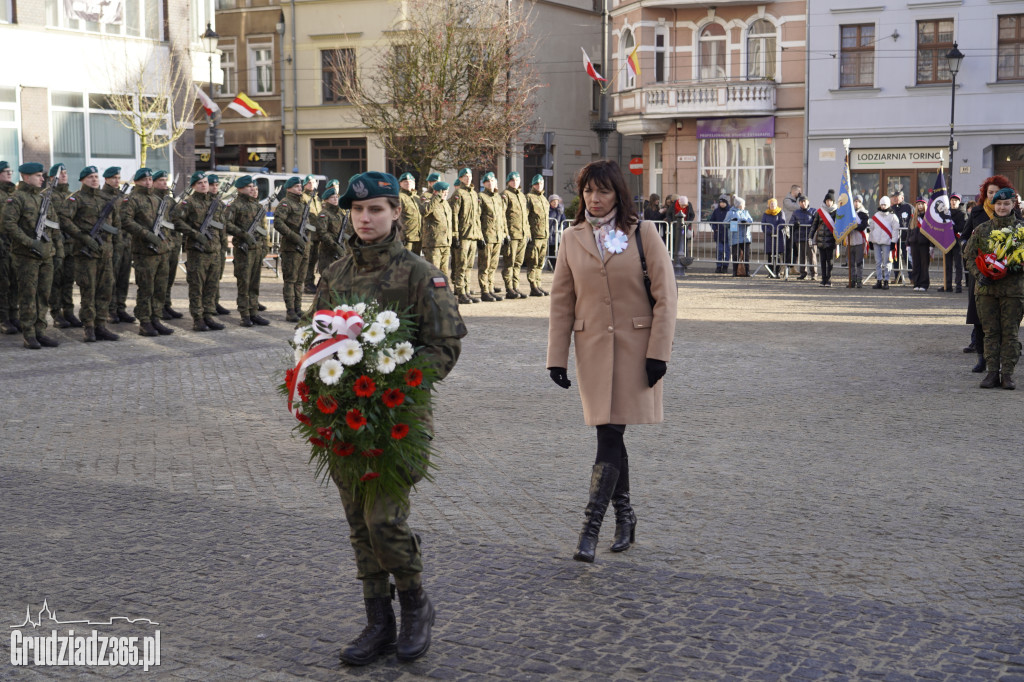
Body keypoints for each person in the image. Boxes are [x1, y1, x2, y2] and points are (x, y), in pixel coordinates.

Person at [312, 171, 467, 666]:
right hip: (343, 419)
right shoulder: (334, 275)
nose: (365, 218)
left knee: (384, 521)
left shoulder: (421, 274)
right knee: (359, 524)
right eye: (357, 211)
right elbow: (313, 341)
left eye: (376, 209)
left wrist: (399, 384)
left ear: (397, 212)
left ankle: (416, 604)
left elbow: (445, 346)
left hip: (396, 423)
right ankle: (378, 620)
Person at [546, 159, 678, 563]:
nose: (594, 198)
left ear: (617, 193)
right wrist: (557, 358)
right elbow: (561, 302)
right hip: (592, 353)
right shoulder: (571, 238)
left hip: (636, 353)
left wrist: (658, 353)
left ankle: (590, 529)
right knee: (610, 434)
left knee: (609, 435)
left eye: (602, 191)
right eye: (587, 191)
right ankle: (626, 516)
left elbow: (666, 298)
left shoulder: (644, 233)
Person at [964, 187, 1023, 390]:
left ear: (1013, 205)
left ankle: (1007, 374)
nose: (1002, 207)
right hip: (986, 291)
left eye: (1006, 204)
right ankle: (991, 373)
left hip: (1013, 291)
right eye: (998, 204)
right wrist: (980, 274)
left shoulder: (1021, 230)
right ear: (993, 205)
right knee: (990, 333)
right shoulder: (982, 229)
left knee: (1010, 334)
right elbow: (969, 256)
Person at [1, 162, 61, 349]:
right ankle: (29, 334)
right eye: (38, 176)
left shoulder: (45, 198)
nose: (42, 179)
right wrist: (30, 242)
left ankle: (40, 331)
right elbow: (8, 225)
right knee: (28, 296)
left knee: (43, 295)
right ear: (26, 177)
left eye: (42, 176)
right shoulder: (16, 198)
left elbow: (54, 225)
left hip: (46, 255)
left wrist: (55, 249)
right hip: (26, 256)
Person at [61, 166, 120, 342]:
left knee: (106, 290)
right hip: (85, 254)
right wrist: (83, 237)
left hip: (105, 253)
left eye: (96, 176)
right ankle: (89, 327)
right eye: (90, 177)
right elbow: (64, 219)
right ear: (82, 180)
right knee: (89, 291)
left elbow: (116, 225)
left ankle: (101, 325)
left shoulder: (106, 199)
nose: (94, 180)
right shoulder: (75, 199)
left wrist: (113, 245)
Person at [120, 167, 174, 336]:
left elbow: (165, 223)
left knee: (160, 288)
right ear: (137, 181)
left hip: (161, 250)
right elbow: (125, 221)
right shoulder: (132, 200)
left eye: (150, 179)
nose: (148, 182)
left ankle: (156, 318)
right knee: (146, 288)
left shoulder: (157, 199)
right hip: (144, 251)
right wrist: (147, 235)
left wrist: (167, 241)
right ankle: (145, 322)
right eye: (144, 180)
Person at [170, 171, 225, 332]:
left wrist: (221, 244)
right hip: (197, 251)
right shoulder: (188, 203)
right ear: (194, 186)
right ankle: (198, 318)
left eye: (206, 182)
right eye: (200, 183)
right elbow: (176, 220)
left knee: (211, 285)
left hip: (214, 250)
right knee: (197, 286)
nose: (204, 185)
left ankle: (208, 315)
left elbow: (221, 224)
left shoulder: (215, 203)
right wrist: (194, 234)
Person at [224, 175, 271, 327]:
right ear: (240, 189)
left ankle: (254, 312)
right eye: (249, 186)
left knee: (255, 283)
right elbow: (227, 224)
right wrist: (243, 234)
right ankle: (245, 314)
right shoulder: (235, 205)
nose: (253, 189)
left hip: (257, 249)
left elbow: (263, 229)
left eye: (253, 186)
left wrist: (265, 246)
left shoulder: (257, 206)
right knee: (244, 283)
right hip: (243, 250)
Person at [272, 176, 314, 322]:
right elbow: (278, 223)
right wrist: (294, 236)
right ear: (288, 188)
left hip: (304, 246)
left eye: (300, 186)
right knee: (290, 280)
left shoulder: (302, 204)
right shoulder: (285, 203)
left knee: (300, 280)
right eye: (296, 186)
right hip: (291, 248)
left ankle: (298, 308)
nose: (300, 188)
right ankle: (290, 310)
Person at [46, 164, 78, 329]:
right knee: (55, 281)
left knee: (68, 280)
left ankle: (69, 311)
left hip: (71, 244)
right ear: (52, 178)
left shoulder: (71, 195)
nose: (64, 175)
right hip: (56, 244)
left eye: (66, 173)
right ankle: (56, 313)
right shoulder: (47, 195)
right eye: (61, 173)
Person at [101, 167, 135, 325]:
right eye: (113, 178)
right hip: (112, 243)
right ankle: (111, 310)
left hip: (125, 243)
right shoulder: (102, 196)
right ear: (106, 179)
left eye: (118, 177)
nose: (116, 180)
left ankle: (121, 308)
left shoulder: (123, 197)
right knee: (111, 279)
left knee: (123, 277)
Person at [448, 168, 482, 304]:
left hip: (473, 235)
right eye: (465, 177)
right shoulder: (458, 193)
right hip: (463, 235)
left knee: (469, 265)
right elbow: (454, 215)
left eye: (469, 176)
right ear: (460, 179)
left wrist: (480, 236)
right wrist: (455, 235)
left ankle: (467, 291)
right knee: (461, 265)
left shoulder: (474, 194)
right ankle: (460, 291)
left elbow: (477, 216)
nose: (468, 179)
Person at [155, 170, 185, 321]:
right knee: (161, 279)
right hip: (160, 244)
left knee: (170, 277)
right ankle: (158, 308)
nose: (164, 183)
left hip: (172, 243)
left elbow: (176, 220)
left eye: (165, 180)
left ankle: (166, 305)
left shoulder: (169, 200)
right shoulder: (153, 199)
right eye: (160, 180)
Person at [477, 172, 506, 302]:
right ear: (484, 184)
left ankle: (490, 288)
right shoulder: (481, 197)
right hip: (487, 236)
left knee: (493, 266)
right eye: (487, 181)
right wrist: (479, 236)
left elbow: (502, 217)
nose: (490, 183)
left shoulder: (498, 198)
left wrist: (505, 233)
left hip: (497, 236)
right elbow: (476, 218)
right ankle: (484, 291)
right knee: (485, 265)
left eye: (492, 181)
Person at [207, 175, 232, 316]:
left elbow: (223, 223)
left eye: (216, 185)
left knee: (217, 276)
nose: (215, 187)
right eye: (212, 185)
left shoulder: (220, 203)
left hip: (219, 244)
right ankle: (209, 304)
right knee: (210, 277)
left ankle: (215, 302)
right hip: (209, 244)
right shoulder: (206, 202)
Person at [501, 171, 529, 298]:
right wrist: (505, 233)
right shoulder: (505, 195)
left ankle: (515, 287)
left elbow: (526, 216)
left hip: (522, 234)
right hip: (512, 234)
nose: (515, 182)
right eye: (512, 180)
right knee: (510, 262)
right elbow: (502, 215)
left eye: (517, 180)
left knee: (518, 263)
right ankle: (509, 288)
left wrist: (527, 232)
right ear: (508, 182)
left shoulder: (522, 196)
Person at [421, 181, 452, 278]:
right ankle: (431, 293)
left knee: (443, 274)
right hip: (433, 244)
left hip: (445, 243)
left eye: (447, 191)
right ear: (436, 192)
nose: (446, 193)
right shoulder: (429, 201)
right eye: (443, 192)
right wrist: (437, 197)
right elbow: (424, 211)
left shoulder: (445, 204)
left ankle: (442, 292)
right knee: (433, 274)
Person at [525, 174, 550, 296]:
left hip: (544, 236)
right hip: (535, 236)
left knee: (540, 262)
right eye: (536, 183)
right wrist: (528, 233)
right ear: (533, 185)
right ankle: (533, 285)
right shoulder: (529, 198)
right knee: (533, 262)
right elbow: (525, 217)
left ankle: (538, 284)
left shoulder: (545, 200)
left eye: (541, 183)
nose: (539, 185)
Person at [868, 196, 899, 290]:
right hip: (876, 242)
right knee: (878, 262)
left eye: (884, 204)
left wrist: (894, 242)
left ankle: (886, 280)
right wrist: (870, 240)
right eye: (881, 204)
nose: (883, 206)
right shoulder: (876, 216)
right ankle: (879, 280)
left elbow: (895, 230)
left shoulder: (893, 216)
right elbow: (871, 229)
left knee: (887, 262)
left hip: (887, 242)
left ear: (888, 205)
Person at [811, 189, 838, 287]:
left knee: (829, 261)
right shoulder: (820, 212)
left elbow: (839, 226)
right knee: (822, 260)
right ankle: (823, 279)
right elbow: (814, 225)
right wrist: (810, 237)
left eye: (830, 201)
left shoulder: (836, 212)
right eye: (827, 201)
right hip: (821, 240)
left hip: (831, 240)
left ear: (833, 201)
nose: (828, 202)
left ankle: (829, 278)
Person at [301, 175, 322, 295]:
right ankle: (308, 284)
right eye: (308, 182)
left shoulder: (317, 199)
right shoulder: (303, 197)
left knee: (314, 260)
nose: (311, 184)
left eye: (313, 182)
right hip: (308, 235)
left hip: (317, 235)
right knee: (308, 261)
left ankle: (311, 283)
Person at [789, 194, 815, 280]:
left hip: (810, 238)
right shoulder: (796, 212)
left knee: (812, 256)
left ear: (808, 202)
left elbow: (817, 223)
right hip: (799, 237)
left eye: (804, 201)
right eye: (801, 202)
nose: (803, 203)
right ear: (799, 203)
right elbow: (790, 223)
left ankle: (814, 274)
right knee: (802, 256)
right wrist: (795, 225)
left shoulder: (813, 211)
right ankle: (803, 273)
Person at [944, 193, 966, 293]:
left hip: (957, 242)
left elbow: (962, 227)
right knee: (947, 264)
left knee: (958, 265)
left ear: (959, 201)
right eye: (952, 200)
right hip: (947, 241)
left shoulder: (962, 214)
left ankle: (958, 285)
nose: (953, 202)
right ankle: (947, 285)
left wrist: (951, 227)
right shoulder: (946, 213)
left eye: (956, 200)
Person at [908, 196, 931, 292]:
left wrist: (931, 246)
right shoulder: (913, 217)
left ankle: (924, 284)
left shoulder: (928, 218)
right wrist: (907, 244)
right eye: (918, 204)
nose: (920, 206)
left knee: (924, 265)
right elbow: (909, 231)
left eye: (922, 204)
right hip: (914, 243)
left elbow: (931, 233)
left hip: (924, 244)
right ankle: (916, 283)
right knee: (916, 264)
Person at [760, 198, 787, 278]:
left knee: (777, 255)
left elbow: (782, 223)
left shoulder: (780, 212)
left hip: (778, 237)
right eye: (771, 204)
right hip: (769, 237)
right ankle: (770, 272)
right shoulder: (766, 214)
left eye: (774, 204)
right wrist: (769, 231)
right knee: (770, 256)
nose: (772, 205)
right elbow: (763, 225)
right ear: (769, 205)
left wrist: (775, 230)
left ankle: (778, 272)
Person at [726, 197, 753, 276]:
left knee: (746, 255)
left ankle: (747, 272)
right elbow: (725, 223)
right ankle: (735, 272)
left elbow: (751, 220)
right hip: (735, 237)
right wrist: (731, 221)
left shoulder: (746, 212)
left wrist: (746, 221)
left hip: (745, 237)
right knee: (735, 255)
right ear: (739, 205)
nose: (744, 206)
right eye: (743, 204)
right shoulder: (731, 213)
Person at [846, 195, 869, 288]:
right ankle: (852, 280)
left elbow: (863, 225)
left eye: (858, 201)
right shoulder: (849, 213)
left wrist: (854, 226)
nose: (856, 203)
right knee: (851, 263)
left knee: (859, 262)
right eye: (855, 201)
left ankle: (859, 280)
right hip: (850, 241)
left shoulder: (864, 213)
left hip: (859, 241)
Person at [891, 190, 913, 284]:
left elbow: (913, 220)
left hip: (906, 238)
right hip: (895, 238)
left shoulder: (909, 207)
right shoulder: (891, 208)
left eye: (897, 196)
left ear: (902, 197)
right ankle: (897, 277)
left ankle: (912, 278)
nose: (895, 198)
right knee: (895, 259)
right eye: (894, 196)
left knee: (907, 259)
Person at [398, 173, 422, 255]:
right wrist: (401, 236)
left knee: (416, 264)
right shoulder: (400, 197)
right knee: (405, 264)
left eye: (410, 182)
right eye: (405, 182)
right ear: (400, 184)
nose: (408, 184)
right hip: (406, 238)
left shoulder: (417, 198)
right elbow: (395, 218)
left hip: (418, 237)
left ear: (414, 183)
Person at [708, 194, 731, 273]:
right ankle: (718, 266)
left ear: (726, 203)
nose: (722, 204)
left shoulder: (730, 210)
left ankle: (725, 266)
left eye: (724, 202)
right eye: (720, 202)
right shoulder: (716, 211)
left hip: (728, 235)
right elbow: (711, 220)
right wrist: (715, 228)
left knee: (727, 251)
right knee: (719, 251)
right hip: (719, 234)